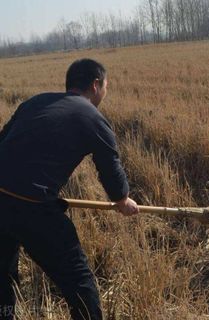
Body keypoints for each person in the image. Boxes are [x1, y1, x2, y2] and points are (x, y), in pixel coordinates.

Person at [0, 58, 139, 320]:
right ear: (96, 85)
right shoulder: (92, 117)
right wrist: (123, 200)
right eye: (106, 86)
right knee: (79, 281)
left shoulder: (34, 102)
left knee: (2, 274)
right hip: (32, 208)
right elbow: (110, 167)